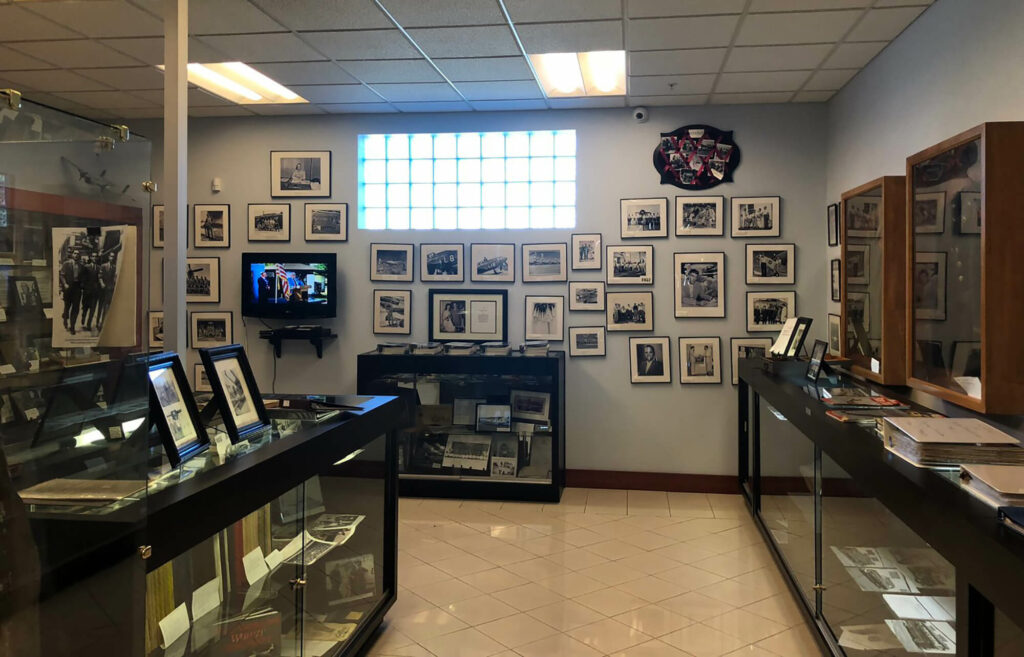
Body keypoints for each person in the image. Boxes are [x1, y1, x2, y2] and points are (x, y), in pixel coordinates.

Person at [79, 254, 99, 331]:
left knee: (92, 309)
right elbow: (82, 278)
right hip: (87, 292)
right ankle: (83, 317)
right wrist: (83, 287)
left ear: (97, 258)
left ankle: (88, 324)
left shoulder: (99, 268)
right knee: (85, 308)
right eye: (93, 256)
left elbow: (99, 279)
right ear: (91, 257)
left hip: (95, 292)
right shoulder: (86, 267)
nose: (94, 258)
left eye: (96, 256)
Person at [96, 254, 116, 330]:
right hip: (103, 289)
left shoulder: (114, 267)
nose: (112, 258)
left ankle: (103, 324)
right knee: (100, 306)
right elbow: (100, 276)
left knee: (107, 307)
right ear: (108, 257)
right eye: (111, 256)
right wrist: (102, 284)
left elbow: (114, 278)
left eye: (113, 257)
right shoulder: (103, 266)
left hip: (110, 290)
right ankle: (98, 322)